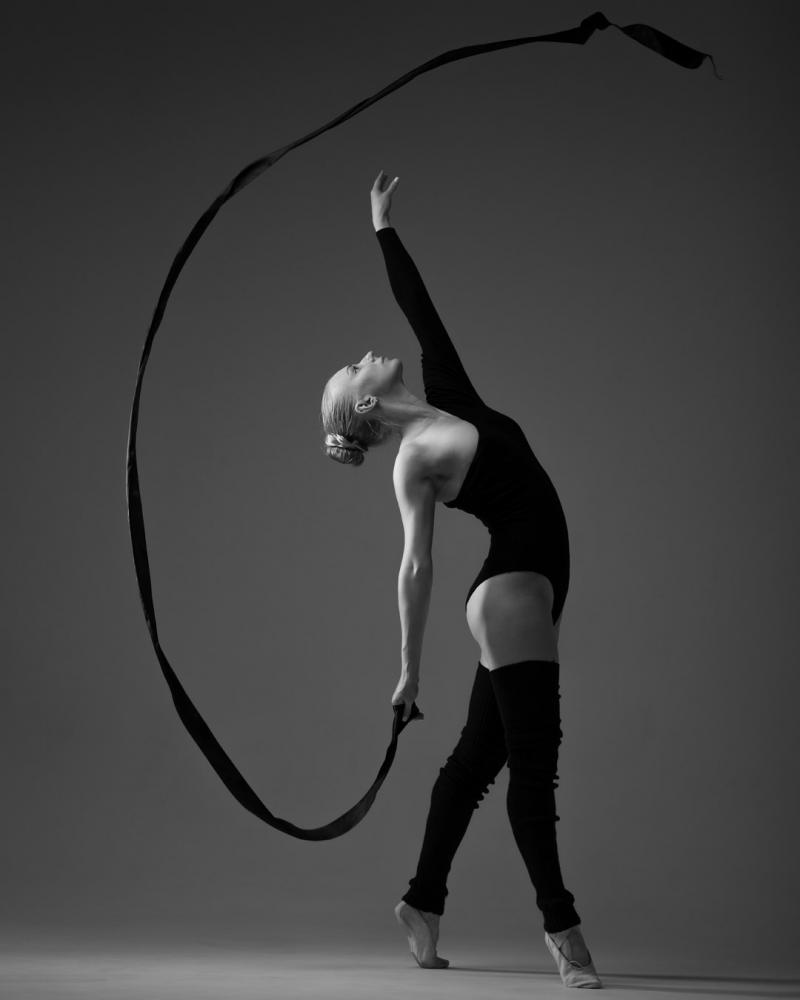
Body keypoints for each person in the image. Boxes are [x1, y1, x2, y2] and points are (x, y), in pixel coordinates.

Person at [319, 170, 601, 989]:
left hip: (534, 586)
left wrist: (383, 228)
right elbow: (416, 564)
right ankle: (564, 931)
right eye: (352, 371)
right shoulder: (413, 461)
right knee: (533, 767)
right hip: (511, 592)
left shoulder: (448, 396)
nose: (364, 356)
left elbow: (421, 309)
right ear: (365, 411)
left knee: (477, 760)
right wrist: (408, 669)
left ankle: (421, 901)